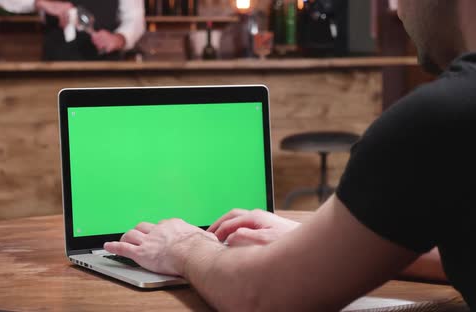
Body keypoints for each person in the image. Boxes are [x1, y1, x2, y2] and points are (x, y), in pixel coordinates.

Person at [104, 0, 476, 310]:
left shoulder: (439, 119)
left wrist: (184, 247)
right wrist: (315, 242)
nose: (399, 11)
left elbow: (259, 296)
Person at [0, 0, 145, 60]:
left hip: (106, 70)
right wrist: (39, 3)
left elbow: (135, 19)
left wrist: (119, 39)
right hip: (56, 67)